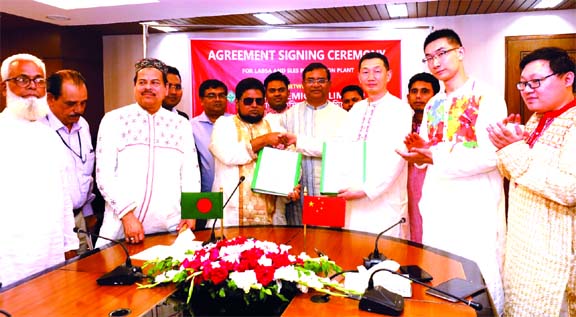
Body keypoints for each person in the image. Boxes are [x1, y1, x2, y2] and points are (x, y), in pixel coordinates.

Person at [396, 29, 507, 314]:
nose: (436, 62)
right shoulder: (434, 102)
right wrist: (418, 153)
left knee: (477, 268)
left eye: (442, 53)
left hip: (474, 201)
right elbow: (428, 151)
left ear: (460, 52)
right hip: (438, 201)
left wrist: (433, 156)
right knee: (441, 270)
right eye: (429, 57)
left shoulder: (486, 96)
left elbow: (491, 156)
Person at [487, 47, 576, 317]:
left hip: (552, 257)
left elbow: (570, 190)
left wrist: (513, 150)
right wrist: (507, 145)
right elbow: (516, 174)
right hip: (523, 247)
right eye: (523, 83)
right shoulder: (538, 118)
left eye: (536, 81)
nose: (527, 89)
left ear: (567, 79)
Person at [95, 58, 200, 246]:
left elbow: (191, 173)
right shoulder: (114, 120)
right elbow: (104, 176)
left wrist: (191, 212)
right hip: (122, 226)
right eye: (142, 82)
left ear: (166, 88)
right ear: (134, 86)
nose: (148, 87)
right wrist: (127, 216)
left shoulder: (180, 124)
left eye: (155, 83)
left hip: (171, 226)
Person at [0, 53, 78, 287]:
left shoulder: (49, 136)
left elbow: (63, 196)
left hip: (51, 253)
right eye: (23, 79)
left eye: (39, 80)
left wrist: (69, 245)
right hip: (11, 259)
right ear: (4, 88)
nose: (32, 87)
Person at [337, 52, 413, 236]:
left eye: (377, 71)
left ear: (388, 75)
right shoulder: (356, 109)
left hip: (383, 201)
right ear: (359, 76)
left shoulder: (400, 109)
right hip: (353, 199)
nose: (371, 77)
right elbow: (340, 147)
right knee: (353, 254)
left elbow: (397, 158)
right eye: (365, 72)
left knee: (384, 259)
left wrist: (366, 189)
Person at [210, 77, 298, 226]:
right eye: (248, 101)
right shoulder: (224, 124)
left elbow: (292, 161)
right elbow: (227, 155)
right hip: (231, 215)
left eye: (259, 101)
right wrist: (264, 140)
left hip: (270, 216)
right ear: (237, 103)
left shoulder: (276, 127)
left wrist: (290, 187)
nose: (254, 105)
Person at [280, 62, 348, 225]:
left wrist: (298, 141)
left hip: (330, 194)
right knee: (297, 243)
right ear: (302, 84)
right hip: (296, 197)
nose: (316, 85)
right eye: (310, 80)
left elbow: (339, 151)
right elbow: (282, 155)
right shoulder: (289, 116)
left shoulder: (343, 117)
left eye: (321, 80)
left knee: (329, 243)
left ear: (330, 84)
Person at [40, 69, 96, 254]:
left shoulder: (83, 125)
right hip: (52, 225)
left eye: (83, 103)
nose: (78, 110)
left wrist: (88, 212)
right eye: (71, 104)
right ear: (50, 99)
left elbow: (85, 173)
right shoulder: (38, 130)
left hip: (80, 219)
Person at [405, 72, 440, 243]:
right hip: (402, 187)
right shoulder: (401, 121)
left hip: (431, 184)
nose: (418, 96)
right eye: (414, 91)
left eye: (425, 91)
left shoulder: (441, 124)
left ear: (436, 96)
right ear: (408, 96)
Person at [191, 79, 230, 229]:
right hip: (202, 195)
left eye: (222, 95)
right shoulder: (190, 127)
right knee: (203, 238)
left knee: (230, 239)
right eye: (212, 96)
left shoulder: (235, 123)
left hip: (229, 194)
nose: (218, 100)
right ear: (201, 100)